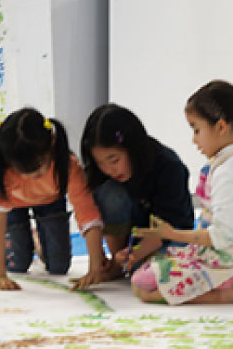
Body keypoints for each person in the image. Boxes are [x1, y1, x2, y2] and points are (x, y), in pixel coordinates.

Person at [132, 80, 233, 304]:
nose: (194, 140)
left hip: (224, 265)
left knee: (143, 287)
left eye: (196, 129)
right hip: (220, 258)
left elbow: (222, 236)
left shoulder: (229, 172)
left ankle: (227, 295)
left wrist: (171, 235)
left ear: (221, 127)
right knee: (144, 274)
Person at [0, 107, 105, 291]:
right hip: (14, 206)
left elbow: (87, 213)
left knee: (58, 267)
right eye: (23, 171)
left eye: (39, 167)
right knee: (18, 264)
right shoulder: (3, 172)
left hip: (50, 203)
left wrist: (96, 267)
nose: (32, 176)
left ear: (52, 144)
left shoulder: (67, 165)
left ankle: (37, 240)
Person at [80, 103, 194, 281]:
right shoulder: (103, 177)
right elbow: (88, 218)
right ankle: (122, 264)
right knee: (109, 193)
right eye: (101, 163)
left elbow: (167, 227)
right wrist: (98, 262)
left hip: (169, 236)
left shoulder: (168, 166)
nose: (109, 169)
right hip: (131, 242)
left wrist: (136, 254)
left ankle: (128, 263)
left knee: (153, 274)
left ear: (132, 148)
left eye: (114, 160)